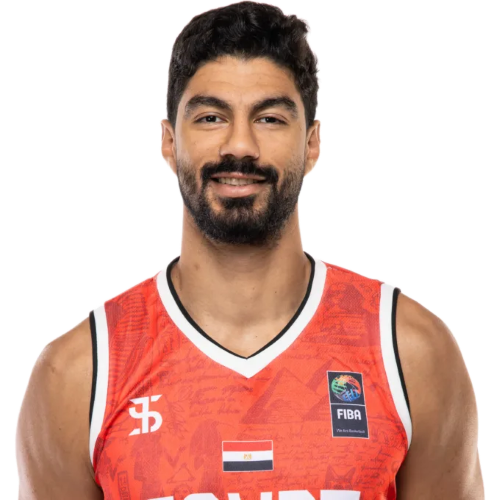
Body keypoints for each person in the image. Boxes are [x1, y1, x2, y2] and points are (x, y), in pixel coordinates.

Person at [15, 1, 484, 499]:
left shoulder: (411, 353)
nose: (239, 145)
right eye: (211, 117)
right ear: (169, 141)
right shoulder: (79, 375)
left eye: (270, 118)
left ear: (312, 143)